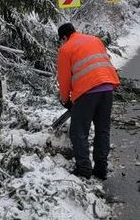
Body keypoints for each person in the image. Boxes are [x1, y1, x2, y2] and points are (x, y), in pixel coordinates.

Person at [56, 23, 120, 180]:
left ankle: (84, 169)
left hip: (87, 92)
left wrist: (66, 100)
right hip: (107, 88)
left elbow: (64, 79)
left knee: (78, 132)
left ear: (64, 37)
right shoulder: (94, 40)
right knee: (102, 130)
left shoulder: (65, 49)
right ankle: (101, 169)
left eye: (61, 40)